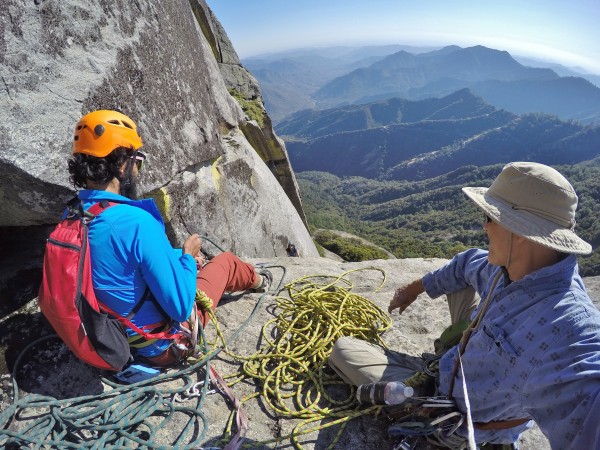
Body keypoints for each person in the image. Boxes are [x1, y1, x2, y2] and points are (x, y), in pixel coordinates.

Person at [328, 162, 600, 448]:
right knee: (462, 284)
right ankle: (445, 360)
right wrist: (414, 289)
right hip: (455, 366)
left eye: (489, 217)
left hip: (455, 419)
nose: (484, 226)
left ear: (519, 231)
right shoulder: (510, 268)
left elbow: (588, 393)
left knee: (343, 351)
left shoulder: (567, 332)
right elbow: (466, 263)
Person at [67, 109, 272, 367]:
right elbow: (180, 307)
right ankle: (259, 281)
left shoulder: (74, 215)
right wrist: (186, 257)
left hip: (105, 333)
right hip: (156, 346)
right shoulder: (136, 223)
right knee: (227, 262)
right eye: (137, 160)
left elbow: (122, 266)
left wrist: (176, 258)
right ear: (121, 164)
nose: (138, 170)